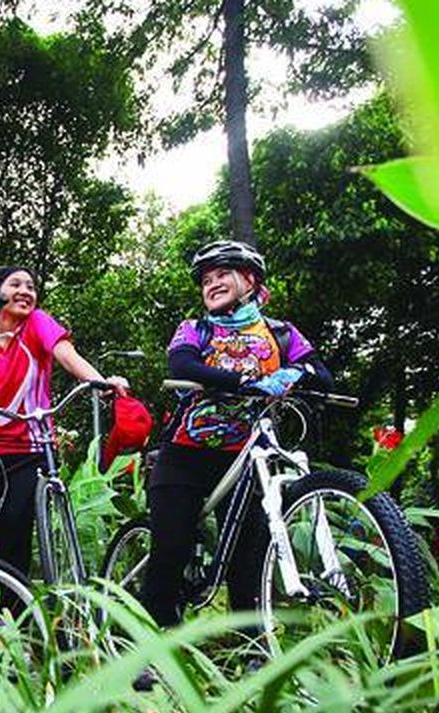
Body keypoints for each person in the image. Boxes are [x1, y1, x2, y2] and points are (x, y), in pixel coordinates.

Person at [139, 239, 334, 637]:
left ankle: (254, 645)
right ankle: (146, 644)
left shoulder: (281, 333)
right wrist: (248, 382)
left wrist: (293, 376)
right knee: (170, 550)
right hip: (185, 455)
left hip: (245, 459)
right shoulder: (194, 328)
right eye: (206, 279)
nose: (212, 284)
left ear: (250, 280)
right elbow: (183, 364)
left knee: (250, 555)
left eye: (222, 274)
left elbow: (321, 375)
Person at [0, 266, 129, 578]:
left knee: (17, 530)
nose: (25, 291)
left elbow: (65, 354)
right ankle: (8, 610)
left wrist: (100, 382)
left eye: (31, 286)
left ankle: (19, 611)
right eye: (16, 284)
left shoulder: (36, 323)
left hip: (29, 449)